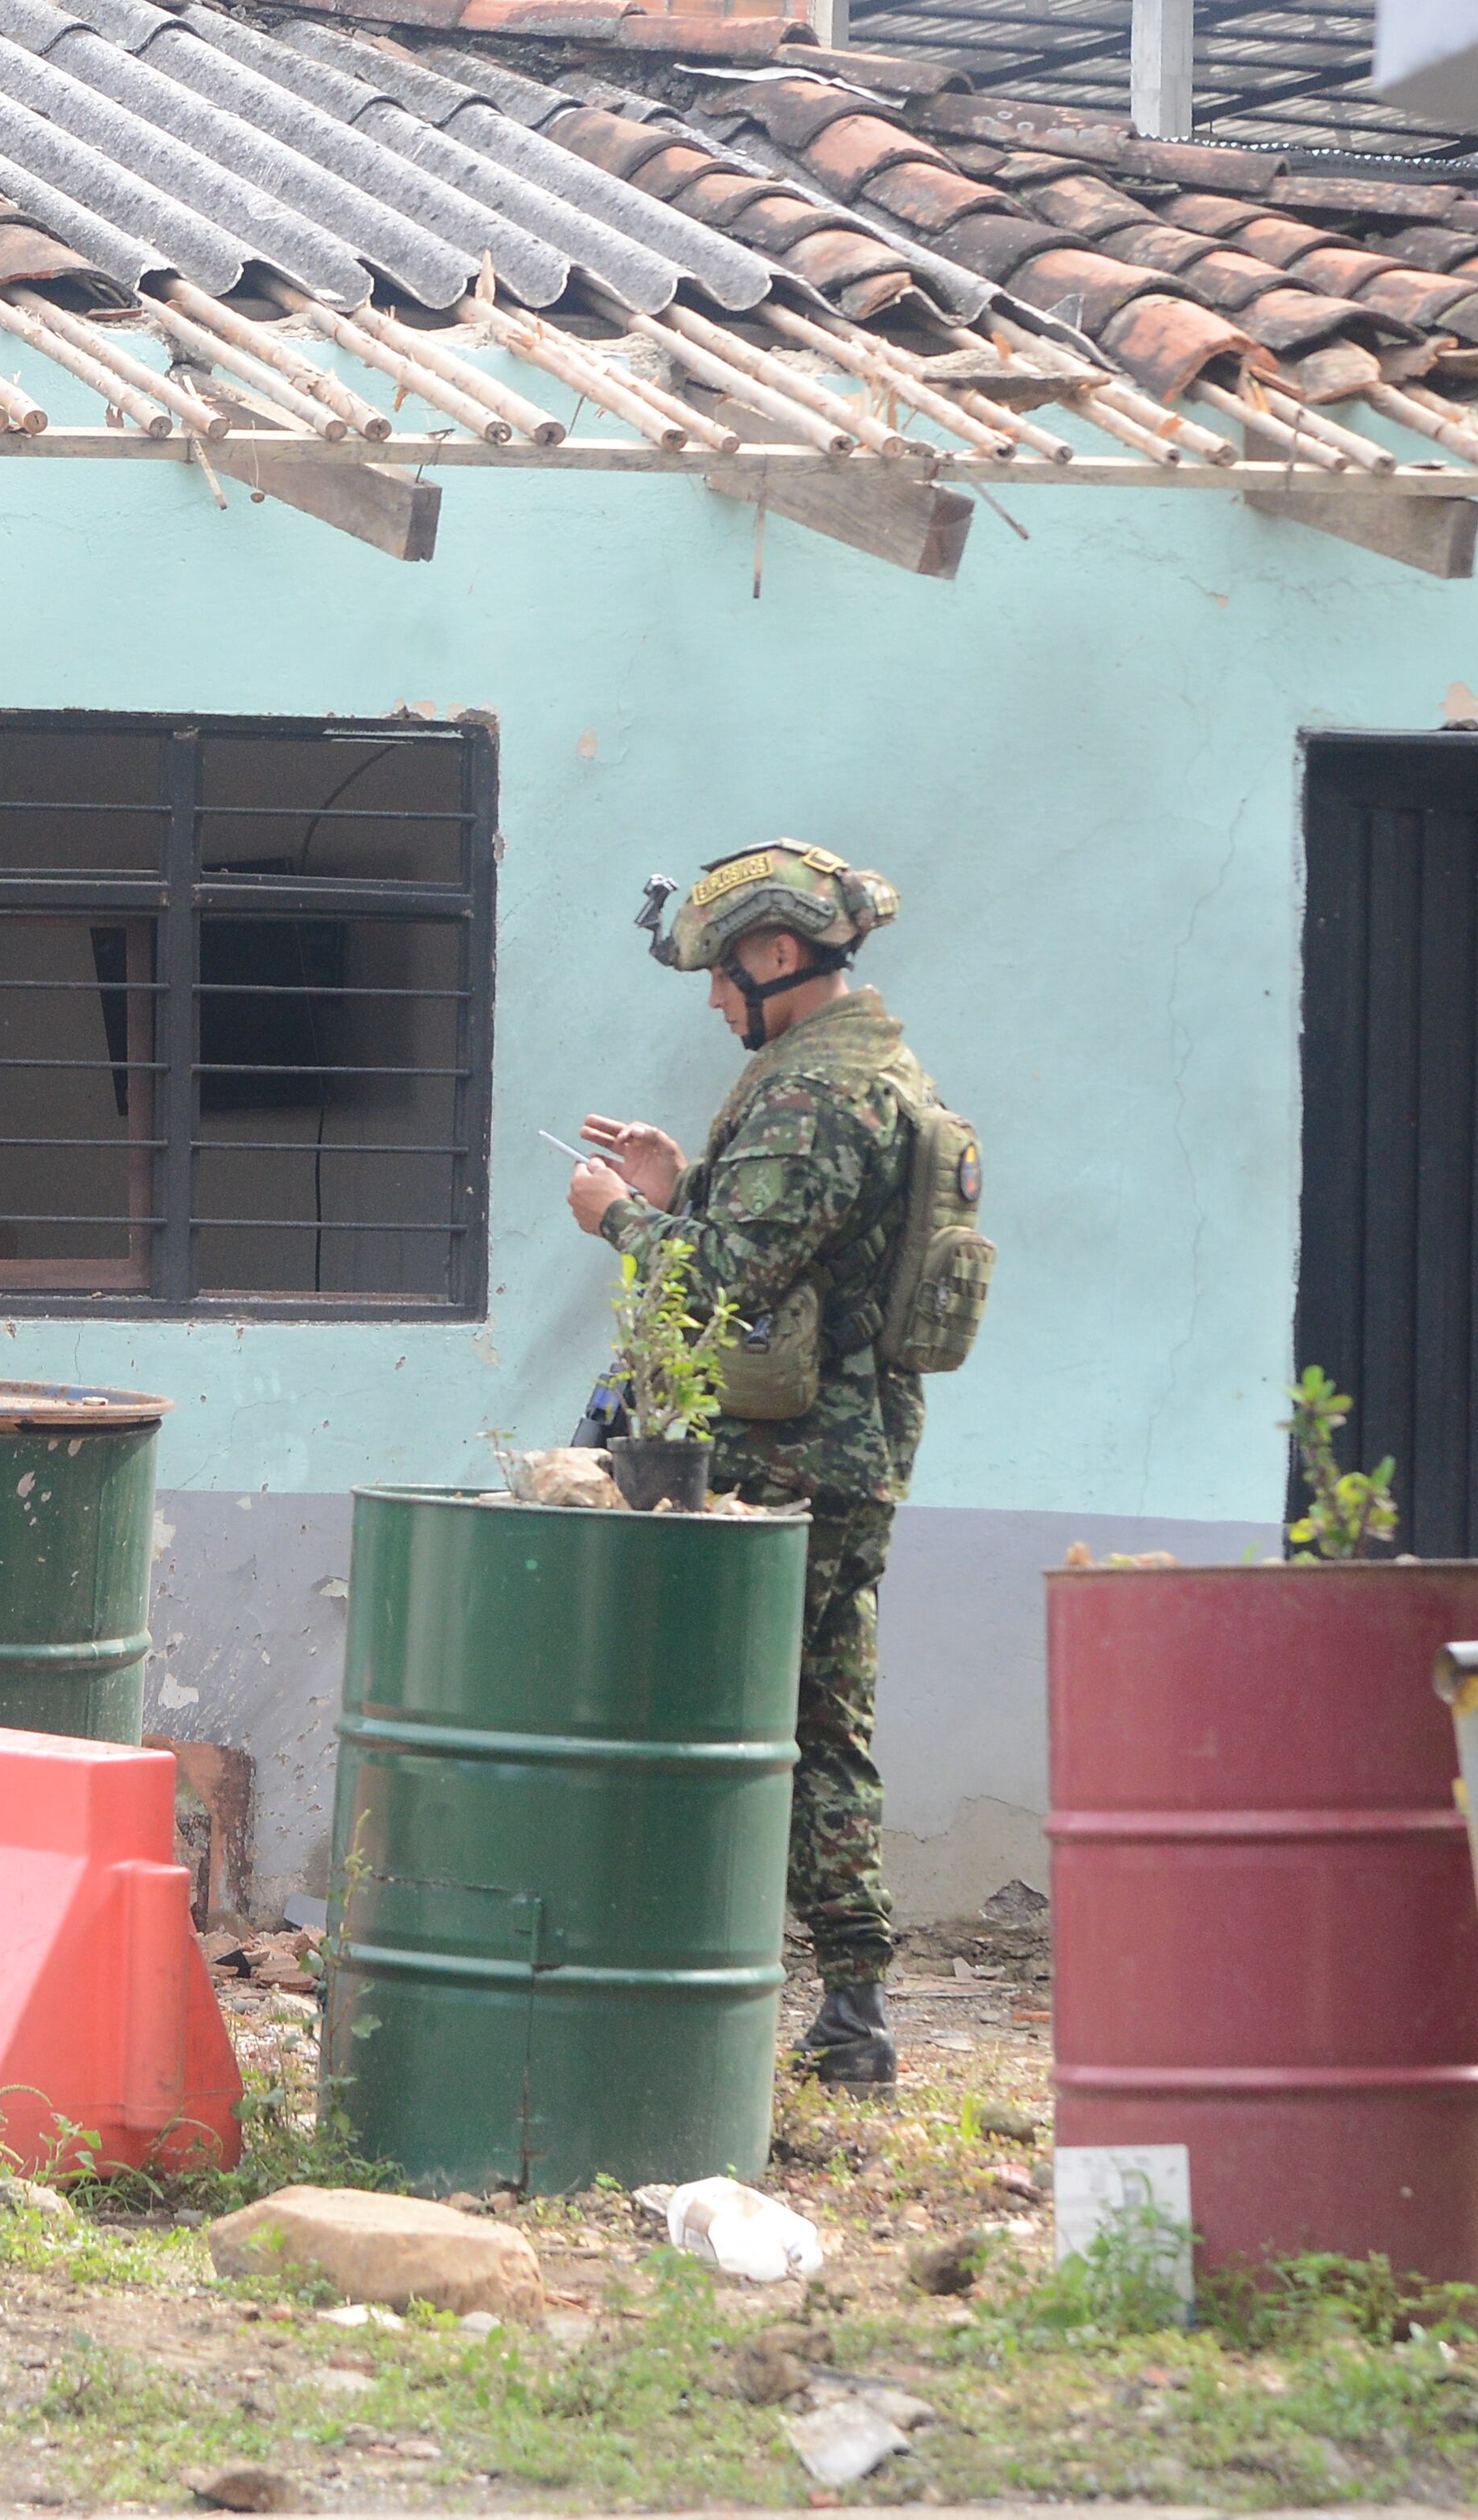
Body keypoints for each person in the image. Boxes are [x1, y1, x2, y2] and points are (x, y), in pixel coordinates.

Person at [562, 839, 947, 2090]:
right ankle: (854, 2010)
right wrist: (681, 1186)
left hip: (780, 1468)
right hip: (843, 1462)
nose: (717, 1000)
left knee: (705, 1723)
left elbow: (720, 1287)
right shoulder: (857, 1072)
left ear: (780, 955)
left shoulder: (813, 1098)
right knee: (825, 1726)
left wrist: (619, 1218)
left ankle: (673, 1992)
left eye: (724, 978)